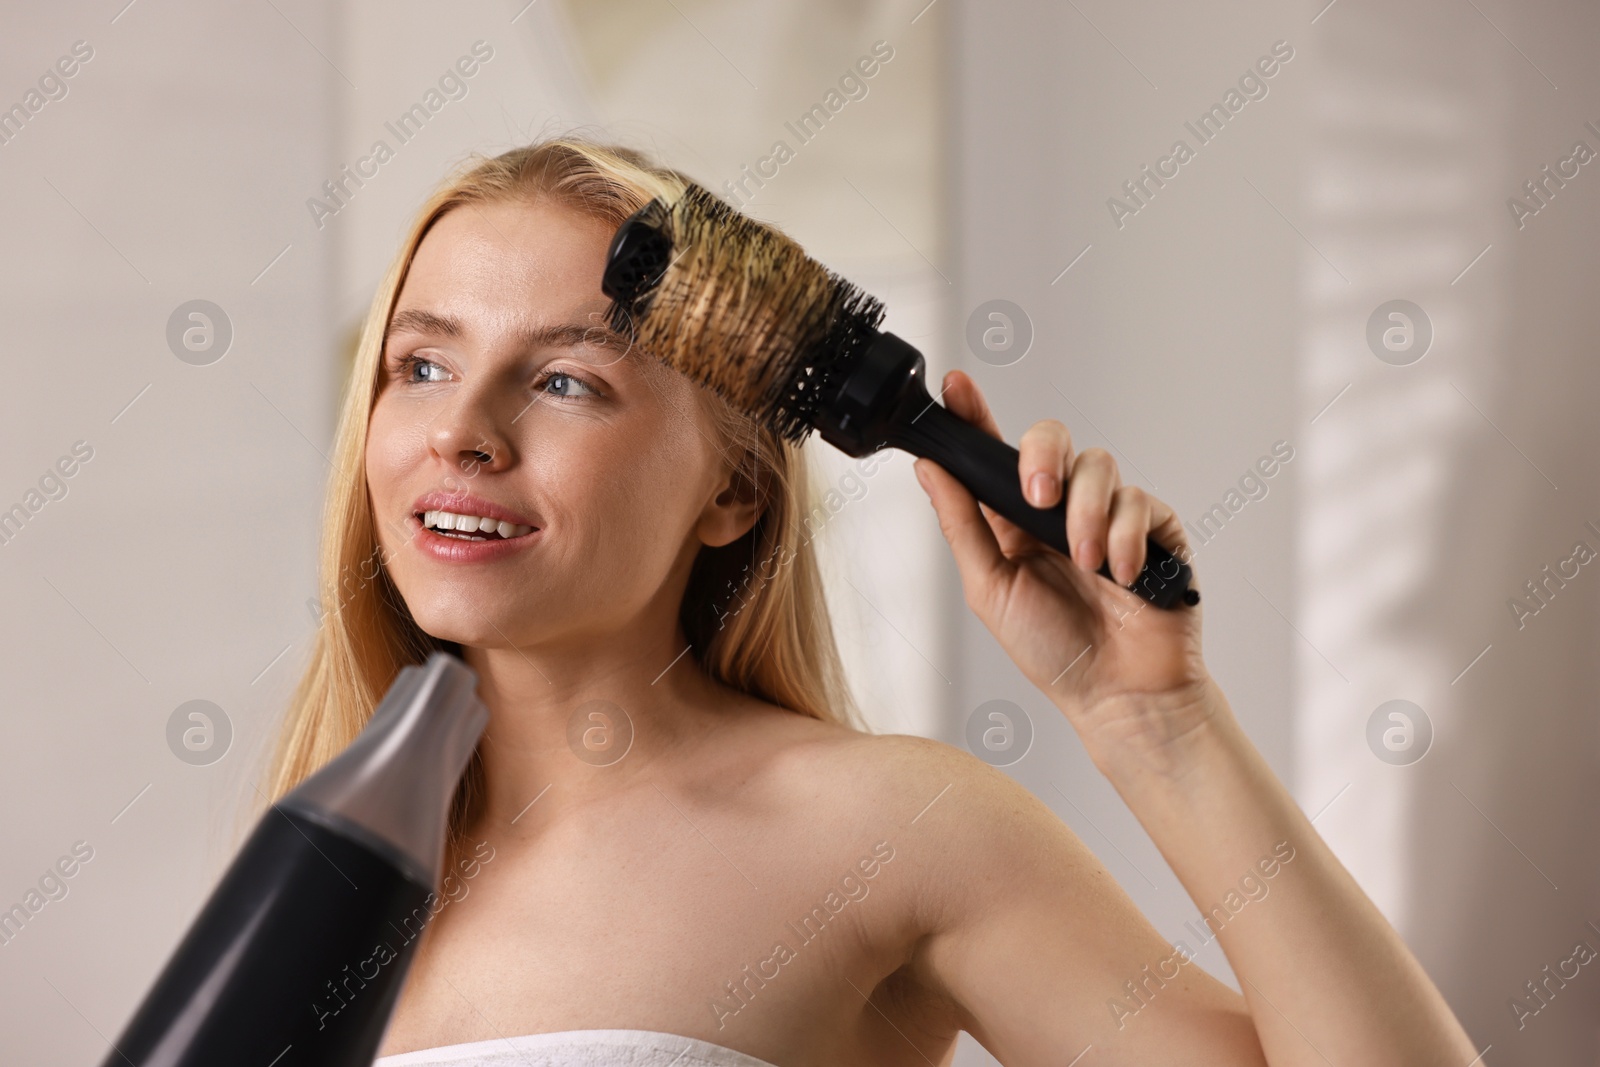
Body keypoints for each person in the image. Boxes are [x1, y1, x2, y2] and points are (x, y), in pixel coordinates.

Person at [259, 139, 1477, 1066]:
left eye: (568, 379)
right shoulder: (317, 863)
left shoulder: (887, 830)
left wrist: (1155, 722)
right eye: (420, 365)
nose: (461, 432)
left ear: (732, 490)